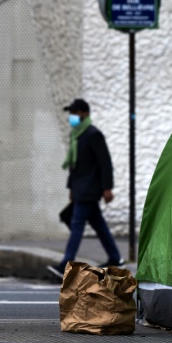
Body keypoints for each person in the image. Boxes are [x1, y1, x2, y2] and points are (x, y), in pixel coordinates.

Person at [48, 98, 123, 279]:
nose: (72, 117)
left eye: (75, 113)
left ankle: (66, 264)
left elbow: (105, 163)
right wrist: (71, 188)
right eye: (71, 113)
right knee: (98, 224)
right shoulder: (77, 136)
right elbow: (75, 166)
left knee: (77, 225)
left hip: (90, 188)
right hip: (80, 188)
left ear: (84, 113)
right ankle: (115, 257)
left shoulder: (93, 134)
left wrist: (107, 188)